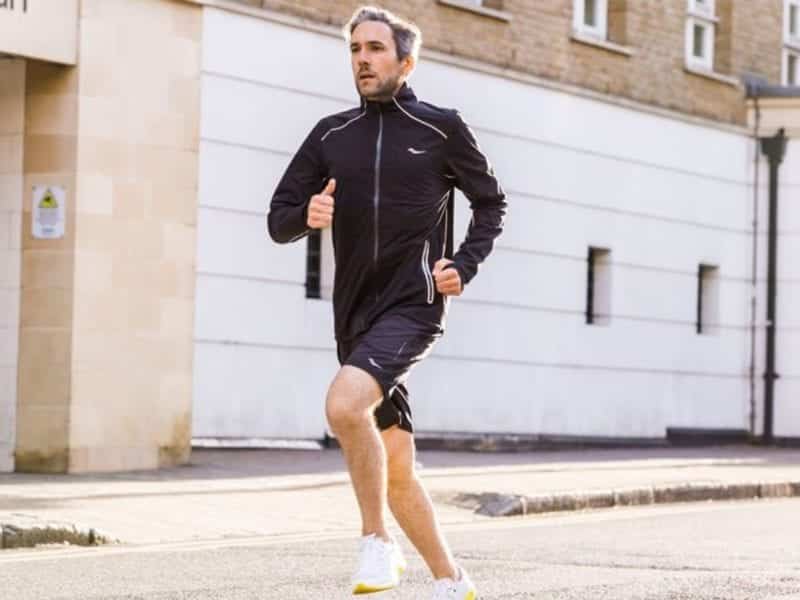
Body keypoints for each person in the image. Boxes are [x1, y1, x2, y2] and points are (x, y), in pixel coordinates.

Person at [268, 5, 506, 598]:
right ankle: (453, 582)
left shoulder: (439, 128)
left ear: (406, 59)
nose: (363, 60)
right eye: (355, 49)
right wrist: (306, 216)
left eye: (375, 48)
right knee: (395, 466)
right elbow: (278, 219)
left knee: (344, 405)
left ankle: (376, 543)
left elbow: (491, 202)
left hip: (414, 305)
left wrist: (464, 264)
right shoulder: (331, 135)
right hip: (353, 315)